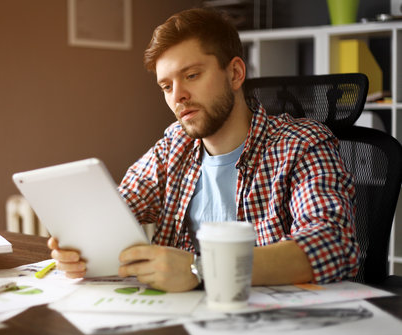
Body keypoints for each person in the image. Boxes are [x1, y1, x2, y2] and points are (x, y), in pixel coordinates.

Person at [48, 8, 360, 292]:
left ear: (235, 74)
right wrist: (77, 246)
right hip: (178, 325)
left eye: (192, 75)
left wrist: (202, 269)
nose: (178, 96)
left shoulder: (301, 143)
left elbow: (331, 244)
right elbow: (115, 210)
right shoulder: (174, 146)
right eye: (166, 87)